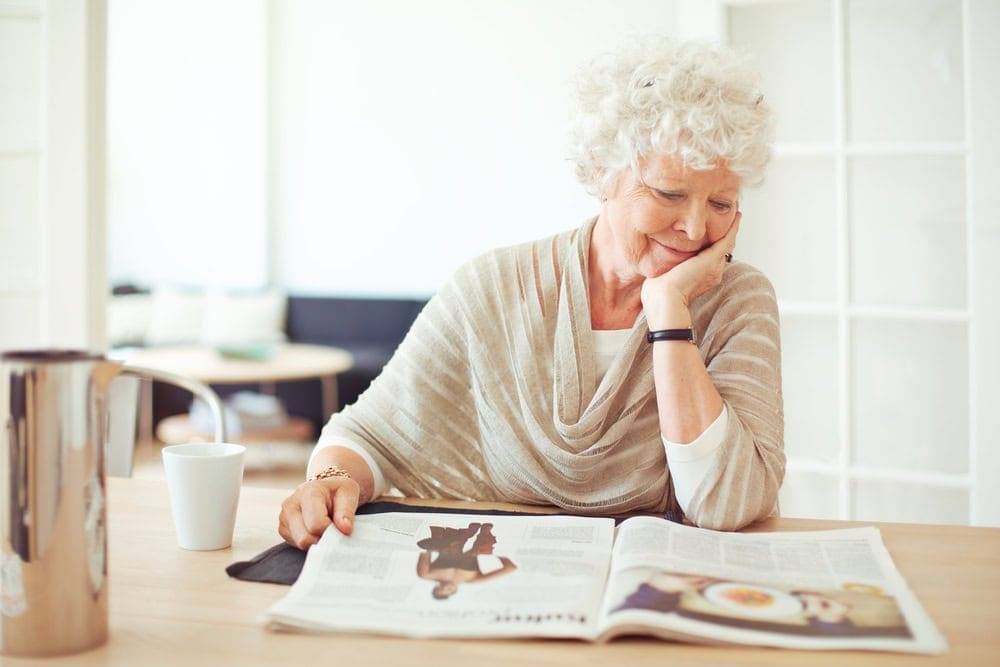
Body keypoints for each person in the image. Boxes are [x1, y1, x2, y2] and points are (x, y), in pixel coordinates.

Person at [278, 36, 784, 552]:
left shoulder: (738, 300)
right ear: (602, 170)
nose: (696, 228)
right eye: (668, 194)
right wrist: (329, 481)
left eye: (722, 202)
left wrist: (668, 310)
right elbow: (368, 436)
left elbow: (725, 504)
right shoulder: (493, 288)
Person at [414, 522, 517, 600]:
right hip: (481, 544)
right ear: (455, 590)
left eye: (440, 589)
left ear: (435, 586)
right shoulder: (473, 580)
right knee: (481, 549)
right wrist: (496, 551)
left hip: (448, 539)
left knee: (446, 546)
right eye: (449, 590)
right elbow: (510, 568)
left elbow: (425, 549)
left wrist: (438, 544)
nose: (446, 587)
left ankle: (459, 539)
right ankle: (482, 536)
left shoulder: (425, 574)